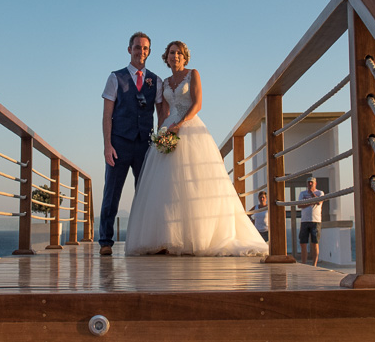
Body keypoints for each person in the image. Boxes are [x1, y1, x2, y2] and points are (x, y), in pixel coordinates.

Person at [125, 41, 268, 257]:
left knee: (193, 183)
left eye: (179, 53)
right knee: (166, 186)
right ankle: (166, 238)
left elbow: (197, 104)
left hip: (189, 127)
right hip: (167, 129)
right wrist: (161, 134)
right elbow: (162, 112)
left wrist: (179, 126)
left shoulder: (193, 74)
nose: (175, 56)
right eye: (171, 53)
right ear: (167, 57)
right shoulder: (163, 82)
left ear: (185, 56)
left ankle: (196, 238)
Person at [98, 32, 161, 256]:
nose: (140, 52)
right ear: (129, 49)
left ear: (149, 52)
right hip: (119, 143)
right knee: (111, 193)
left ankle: (146, 241)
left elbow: (162, 114)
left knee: (145, 194)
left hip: (145, 145)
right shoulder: (116, 77)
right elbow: (107, 115)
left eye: (145, 49)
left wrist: (160, 143)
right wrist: (107, 146)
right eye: (137, 47)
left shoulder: (156, 80)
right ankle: (105, 240)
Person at [298, 177, 324, 264]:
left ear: (315, 183)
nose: (310, 184)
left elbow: (319, 202)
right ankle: (304, 263)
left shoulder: (320, 193)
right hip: (304, 220)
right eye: (308, 182)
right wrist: (311, 202)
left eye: (311, 183)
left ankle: (314, 264)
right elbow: (300, 205)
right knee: (303, 243)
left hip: (315, 220)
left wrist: (312, 194)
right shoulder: (302, 193)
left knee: (315, 242)